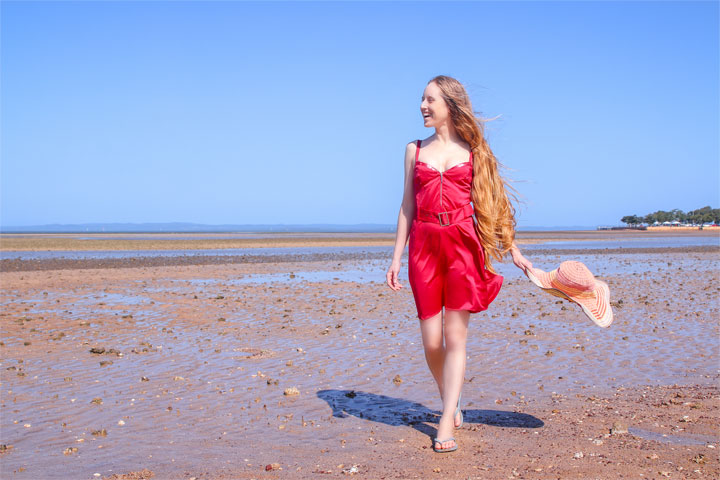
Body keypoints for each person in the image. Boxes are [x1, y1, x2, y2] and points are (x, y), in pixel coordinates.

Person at [385, 75, 534, 453]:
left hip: (462, 245)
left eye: (429, 99)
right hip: (423, 246)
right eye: (421, 98)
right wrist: (396, 258)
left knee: (455, 337)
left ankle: (446, 418)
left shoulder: (474, 151)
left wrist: (513, 249)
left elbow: (493, 204)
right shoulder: (413, 149)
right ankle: (451, 397)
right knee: (432, 341)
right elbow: (407, 206)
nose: (422, 105)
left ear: (449, 105)